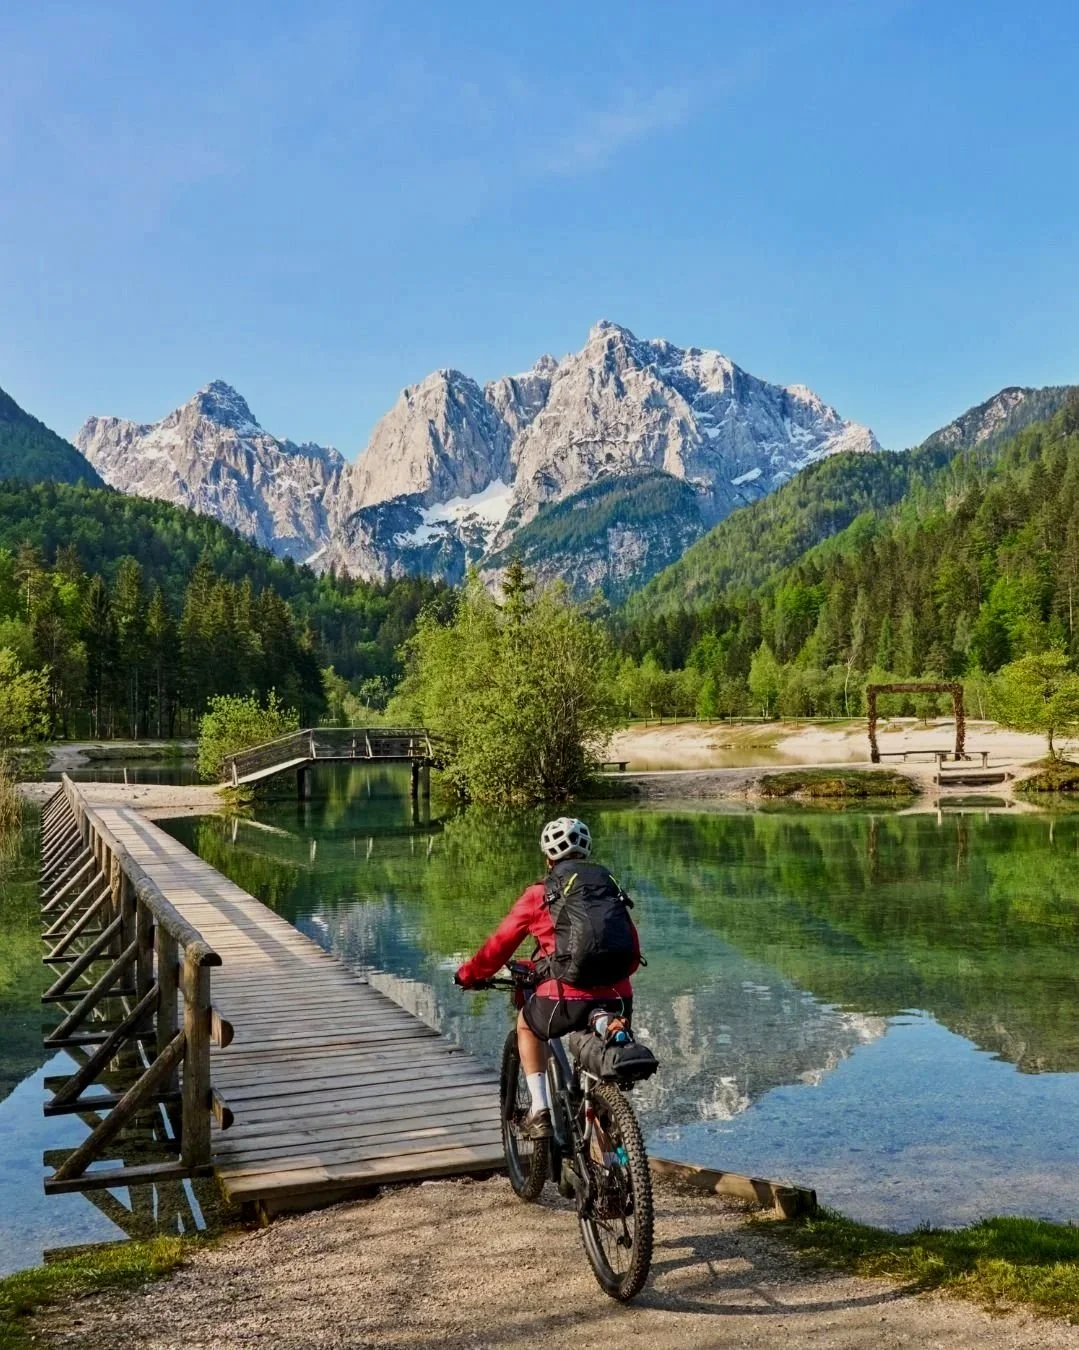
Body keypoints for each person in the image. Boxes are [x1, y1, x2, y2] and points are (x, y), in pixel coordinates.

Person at [454, 816, 640, 1139]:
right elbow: (633, 953)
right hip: (618, 996)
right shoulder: (607, 889)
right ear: (586, 853)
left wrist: (468, 975)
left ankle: (539, 1110)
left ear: (548, 858)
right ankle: (612, 1157)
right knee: (599, 1066)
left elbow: (498, 947)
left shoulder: (539, 894)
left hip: (563, 998)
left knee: (527, 1025)